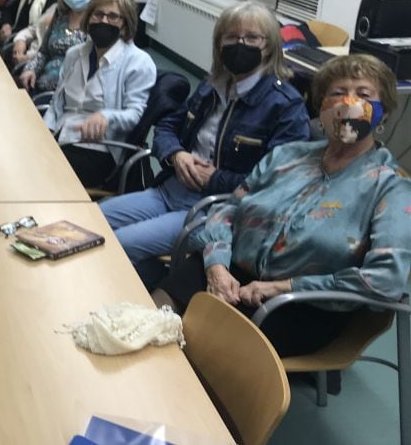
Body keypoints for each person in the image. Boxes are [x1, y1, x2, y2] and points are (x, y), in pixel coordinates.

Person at [153, 53, 411, 358]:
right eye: (337, 93)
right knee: (148, 322)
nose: (348, 102)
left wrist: (280, 287)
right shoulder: (287, 156)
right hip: (230, 269)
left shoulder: (391, 185)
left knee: (196, 350)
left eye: (364, 94)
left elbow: (386, 280)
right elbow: (227, 209)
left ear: (383, 113)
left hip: (301, 305)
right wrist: (217, 264)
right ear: (321, 107)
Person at [99, 1, 311, 285]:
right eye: (231, 37)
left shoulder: (284, 106)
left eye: (252, 38)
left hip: (213, 209)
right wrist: (176, 155)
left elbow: (276, 184)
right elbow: (167, 125)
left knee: (120, 243)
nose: (241, 44)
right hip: (169, 190)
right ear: (219, 43)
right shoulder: (212, 85)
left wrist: (216, 179)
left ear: (269, 46)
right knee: (95, 218)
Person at [42, 0, 157, 187]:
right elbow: (57, 104)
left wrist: (106, 116)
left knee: (44, 173)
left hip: (100, 147)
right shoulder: (74, 54)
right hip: (62, 136)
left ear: (124, 24)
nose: (103, 20)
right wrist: (43, 132)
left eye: (112, 16)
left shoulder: (138, 62)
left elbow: (134, 114)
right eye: (98, 14)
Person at [17, 0, 101, 92]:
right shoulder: (61, 14)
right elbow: (43, 52)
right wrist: (30, 69)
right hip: (38, 84)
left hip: (71, 95)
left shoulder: (101, 20)